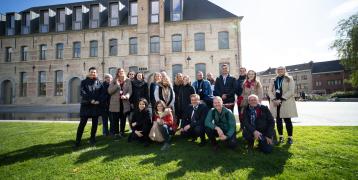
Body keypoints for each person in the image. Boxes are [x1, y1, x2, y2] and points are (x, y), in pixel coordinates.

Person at [268, 66, 298, 144]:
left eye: (282, 69)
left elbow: (291, 91)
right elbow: (269, 91)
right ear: (276, 71)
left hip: (285, 102)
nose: (280, 71)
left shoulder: (289, 78)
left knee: (287, 120)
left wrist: (280, 99)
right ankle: (281, 137)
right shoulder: (273, 80)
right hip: (275, 103)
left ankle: (290, 137)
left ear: (285, 70)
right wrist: (274, 100)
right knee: (278, 121)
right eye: (279, 69)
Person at [74, 67, 103, 147]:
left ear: (96, 73)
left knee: (95, 124)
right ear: (88, 72)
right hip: (86, 105)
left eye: (94, 72)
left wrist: (98, 100)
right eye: (91, 72)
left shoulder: (99, 82)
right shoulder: (83, 82)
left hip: (95, 106)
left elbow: (102, 93)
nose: (93, 73)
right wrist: (91, 100)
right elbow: (82, 92)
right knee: (82, 124)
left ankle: (92, 139)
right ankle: (78, 141)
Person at [108, 68, 132, 138]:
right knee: (115, 119)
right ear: (117, 73)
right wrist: (117, 85)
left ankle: (122, 132)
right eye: (119, 72)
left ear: (124, 72)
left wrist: (127, 96)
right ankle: (116, 133)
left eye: (122, 71)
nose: (121, 73)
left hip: (124, 103)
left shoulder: (128, 80)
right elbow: (109, 91)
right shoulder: (114, 80)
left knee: (123, 119)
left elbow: (130, 91)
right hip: (115, 104)